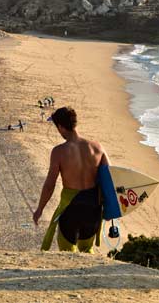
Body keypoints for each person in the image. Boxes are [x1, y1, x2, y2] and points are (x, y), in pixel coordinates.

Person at [34, 106, 110, 253]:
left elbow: (50, 185)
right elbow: (110, 179)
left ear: (61, 127)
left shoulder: (59, 152)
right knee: (87, 249)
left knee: (67, 249)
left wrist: (40, 209)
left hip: (71, 208)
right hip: (93, 207)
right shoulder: (97, 147)